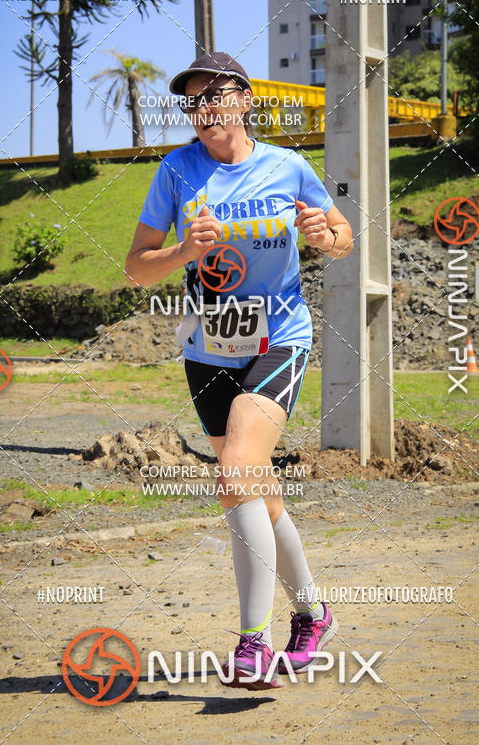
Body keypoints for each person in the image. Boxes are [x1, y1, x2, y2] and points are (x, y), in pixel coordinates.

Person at [125, 51, 353, 690]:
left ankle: (252, 644)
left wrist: (322, 236)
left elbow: (342, 237)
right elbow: (137, 266)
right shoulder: (177, 171)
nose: (200, 110)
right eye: (191, 102)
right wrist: (182, 250)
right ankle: (313, 614)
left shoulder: (288, 166)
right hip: (208, 352)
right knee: (255, 491)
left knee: (235, 474)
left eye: (211, 97)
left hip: (277, 339)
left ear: (244, 99)